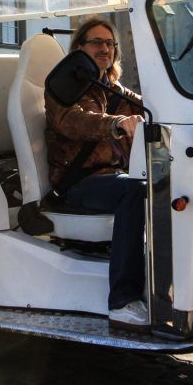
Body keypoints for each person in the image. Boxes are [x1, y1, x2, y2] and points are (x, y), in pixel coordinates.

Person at [42, 18, 148, 330]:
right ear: (79, 48)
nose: (105, 48)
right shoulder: (64, 85)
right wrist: (114, 123)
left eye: (110, 43)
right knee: (136, 189)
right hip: (77, 182)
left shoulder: (113, 88)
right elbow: (71, 120)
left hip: (112, 176)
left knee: (166, 184)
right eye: (96, 42)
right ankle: (122, 302)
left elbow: (149, 107)